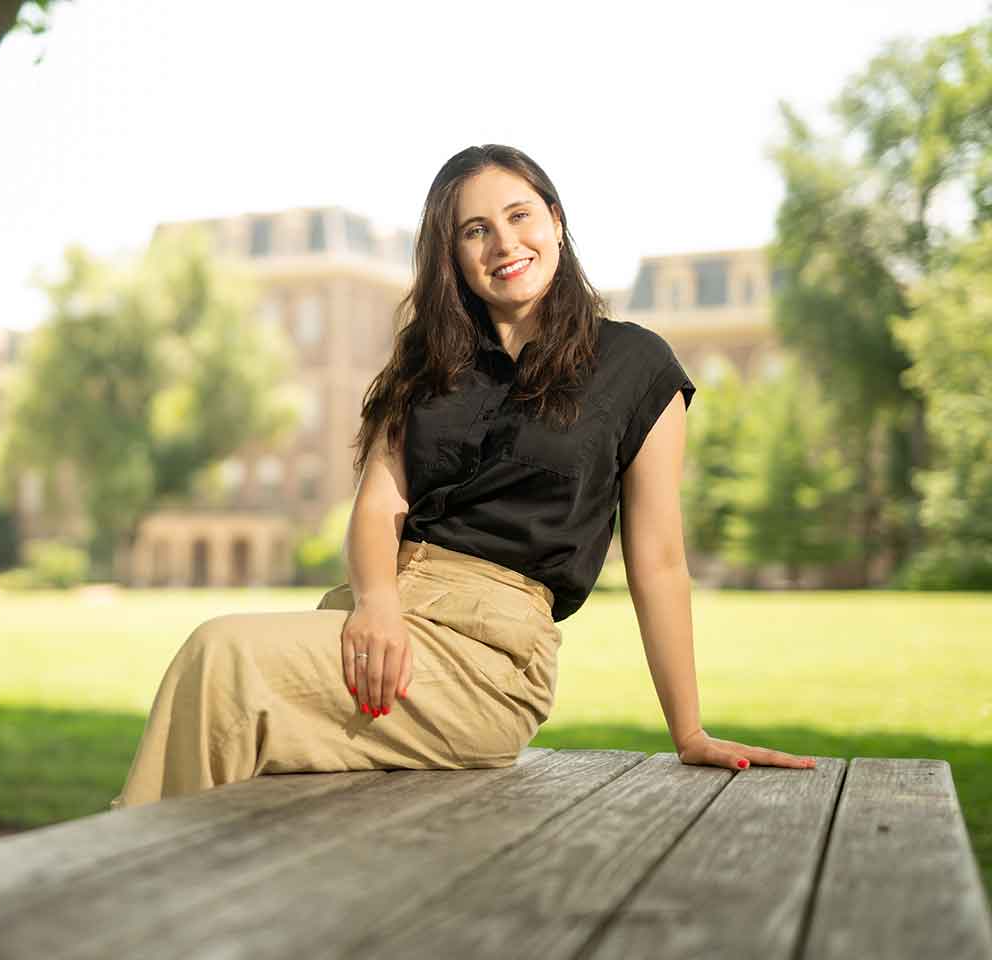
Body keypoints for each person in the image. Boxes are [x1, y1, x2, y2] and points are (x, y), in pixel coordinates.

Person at [109, 144, 817, 810]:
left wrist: (688, 732)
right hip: (380, 619)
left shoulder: (637, 365)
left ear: (556, 223)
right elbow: (379, 503)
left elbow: (659, 562)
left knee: (222, 656)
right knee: (243, 739)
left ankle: (121, 883)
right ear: (452, 255)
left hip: (489, 653)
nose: (504, 244)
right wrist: (378, 600)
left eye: (519, 217)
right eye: (475, 231)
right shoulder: (428, 361)